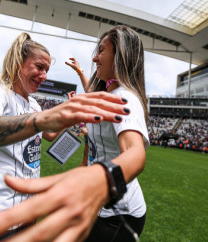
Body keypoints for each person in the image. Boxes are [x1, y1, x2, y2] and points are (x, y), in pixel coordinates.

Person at [0, 31, 130, 241]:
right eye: (39, 67)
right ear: (18, 62)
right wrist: (40, 119)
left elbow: (48, 134)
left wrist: (71, 112)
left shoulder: (33, 104)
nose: (44, 76)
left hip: (24, 216)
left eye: (47, 70)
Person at [65, 25, 149, 242]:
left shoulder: (125, 98)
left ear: (120, 55)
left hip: (119, 215)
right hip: (99, 205)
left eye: (101, 50)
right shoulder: (107, 95)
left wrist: (94, 183)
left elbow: (134, 152)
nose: (95, 58)